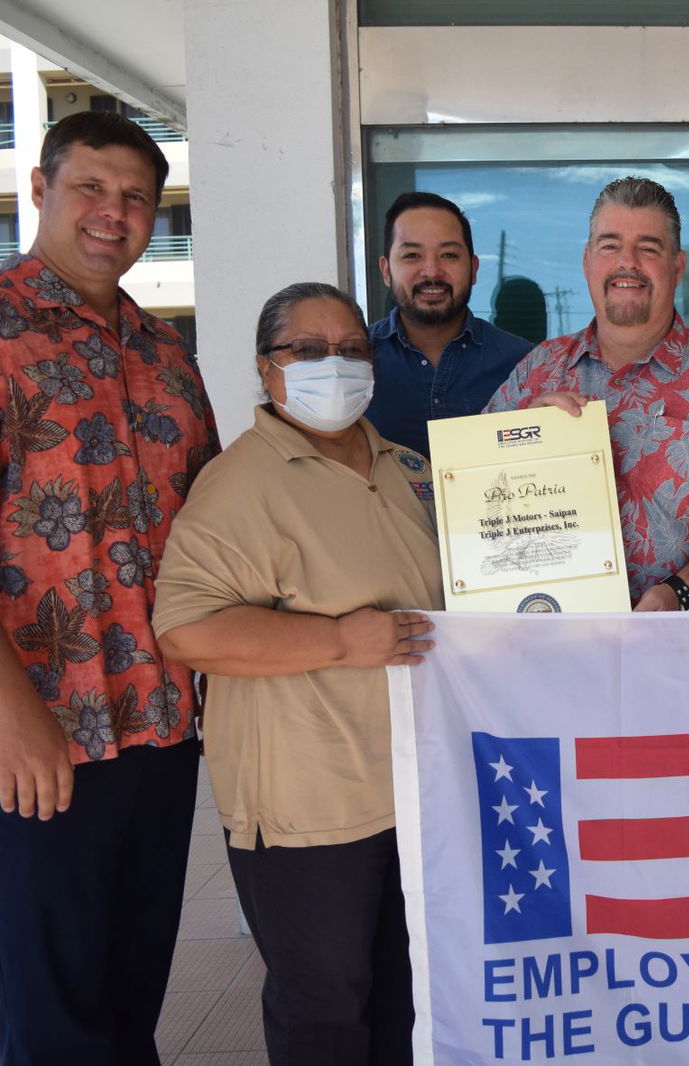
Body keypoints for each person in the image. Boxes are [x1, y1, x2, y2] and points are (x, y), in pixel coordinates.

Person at [153, 283, 441, 1064]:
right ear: (265, 366)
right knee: (325, 1014)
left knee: (406, 1000)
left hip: (408, 792)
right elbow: (186, 628)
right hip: (307, 809)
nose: (333, 365)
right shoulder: (242, 482)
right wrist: (340, 641)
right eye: (307, 351)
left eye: (351, 349)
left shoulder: (408, 468)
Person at [0, 110, 218, 1065]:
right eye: (91, 187)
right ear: (39, 189)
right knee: (48, 1011)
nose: (113, 212)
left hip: (162, 724)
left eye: (135, 197)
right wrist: (11, 713)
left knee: (132, 996)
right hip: (42, 729)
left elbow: (212, 528)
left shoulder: (166, 353)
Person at [486, 176, 689, 610]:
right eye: (610, 245)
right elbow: (470, 493)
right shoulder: (538, 371)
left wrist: (679, 591)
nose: (628, 263)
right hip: (558, 634)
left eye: (648, 248)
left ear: (677, 266)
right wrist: (521, 435)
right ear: (587, 260)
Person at [366, 191, 530, 458]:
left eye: (449, 255)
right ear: (386, 271)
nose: (432, 271)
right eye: (412, 255)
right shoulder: (353, 362)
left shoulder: (525, 365)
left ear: (473, 269)